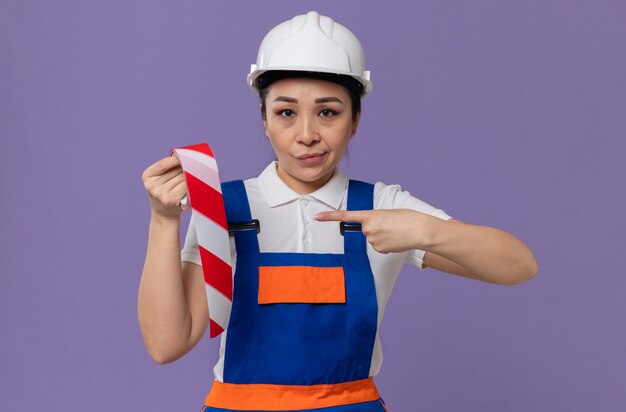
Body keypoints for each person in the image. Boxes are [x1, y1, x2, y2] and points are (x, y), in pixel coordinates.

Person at [138, 11, 538, 411]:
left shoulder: (384, 207)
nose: (307, 134)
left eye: (328, 112)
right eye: (286, 112)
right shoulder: (222, 208)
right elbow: (166, 344)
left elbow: (519, 265)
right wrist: (163, 219)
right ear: (264, 119)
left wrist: (422, 230)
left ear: (355, 120)